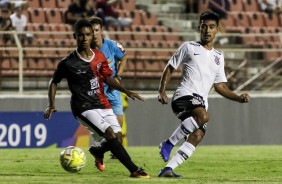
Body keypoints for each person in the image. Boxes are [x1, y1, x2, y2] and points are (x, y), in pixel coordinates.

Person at [43, 18, 149, 179]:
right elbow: (54, 81)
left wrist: (126, 91)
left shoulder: (99, 57)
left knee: (117, 138)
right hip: (83, 107)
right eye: (81, 35)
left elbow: (108, 78)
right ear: (75, 36)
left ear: (93, 35)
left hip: (102, 103)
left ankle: (97, 150)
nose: (85, 38)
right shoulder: (68, 63)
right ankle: (134, 170)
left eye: (88, 35)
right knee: (109, 134)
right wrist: (51, 104)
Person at [157, 11, 251, 178]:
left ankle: (167, 169)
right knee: (203, 116)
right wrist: (162, 90)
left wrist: (238, 98)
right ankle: (169, 143)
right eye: (204, 27)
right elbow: (170, 67)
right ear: (199, 28)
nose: (208, 30)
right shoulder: (189, 47)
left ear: (218, 30)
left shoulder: (219, 57)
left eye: (212, 27)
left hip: (200, 103)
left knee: (198, 135)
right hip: (183, 96)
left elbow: (220, 86)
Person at [88, 16, 127, 147]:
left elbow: (124, 58)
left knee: (118, 126)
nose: (94, 34)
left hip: (112, 91)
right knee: (102, 129)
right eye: (91, 31)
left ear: (101, 30)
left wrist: (119, 76)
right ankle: (100, 150)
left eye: (96, 30)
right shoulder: (87, 50)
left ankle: (116, 154)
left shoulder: (111, 45)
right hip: (97, 93)